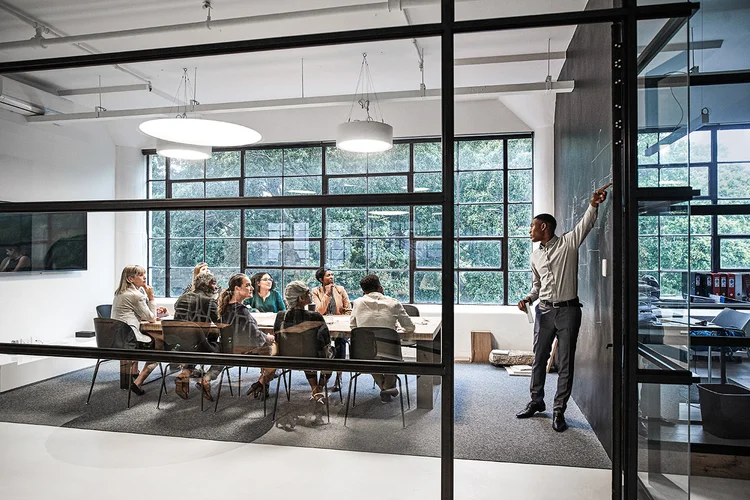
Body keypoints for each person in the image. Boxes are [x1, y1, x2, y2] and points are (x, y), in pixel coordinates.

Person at [516, 183, 611, 432]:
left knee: (566, 363)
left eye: (532, 226)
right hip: (544, 311)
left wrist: (594, 204)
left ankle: (559, 411)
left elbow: (585, 224)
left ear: (544, 227)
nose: (530, 230)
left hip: (568, 312)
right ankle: (536, 402)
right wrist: (528, 299)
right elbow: (537, 286)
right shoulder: (535, 256)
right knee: (538, 359)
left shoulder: (568, 243)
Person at [350, 274, 415, 403]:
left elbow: (353, 326)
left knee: (371, 357)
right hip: (391, 353)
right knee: (390, 358)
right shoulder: (393, 303)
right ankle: (387, 387)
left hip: (366, 353)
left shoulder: (357, 303)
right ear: (380, 288)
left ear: (363, 291)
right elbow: (410, 327)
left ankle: (384, 388)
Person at [217, 273, 277, 399]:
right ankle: (261, 382)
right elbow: (255, 335)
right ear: (237, 288)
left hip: (231, 350)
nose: (252, 288)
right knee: (277, 349)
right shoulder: (241, 310)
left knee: (266, 349)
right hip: (245, 351)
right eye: (248, 285)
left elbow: (250, 332)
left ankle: (263, 382)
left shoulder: (225, 308)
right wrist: (268, 337)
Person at [111, 265, 168, 396]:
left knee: (155, 339)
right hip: (130, 338)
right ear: (130, 279)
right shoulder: (137, 295)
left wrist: (150, 310)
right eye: (141, 275)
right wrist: (151, 297)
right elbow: (152, 318)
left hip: (117, 337)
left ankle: (135, 378)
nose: (145, 277)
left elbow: (135, 313)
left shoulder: (120, 293)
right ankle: (138, 381)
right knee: (160, 344)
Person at [274, 281, 333, 404]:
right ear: (301, 298)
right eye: (308, 293)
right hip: (311, 359)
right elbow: (326, 340)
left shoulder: (280, 316)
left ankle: (315, 390)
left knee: (305, 350)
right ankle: (319, 388)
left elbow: (277, 339)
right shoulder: (315, 316)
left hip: (286, 359)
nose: (311, 294)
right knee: (332, 353)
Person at [172, 271, 220, 400]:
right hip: (198, 345)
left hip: (178, 345)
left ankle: (185, 373)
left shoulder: (182, 298)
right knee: (224, 351)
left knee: (198, 343)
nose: (216, 287)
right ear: (209, 284)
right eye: (215, 284)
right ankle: (206, 379)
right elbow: (221, 324)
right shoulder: (209, 301)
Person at [311, 267, 351, 392]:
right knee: (320, 344)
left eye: (332, 274)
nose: (332, 277)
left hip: (339, 323)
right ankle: (323, 374)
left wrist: (344, 318)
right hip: (322, 324)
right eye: (328, 275)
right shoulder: (315, 291)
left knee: (341, 341)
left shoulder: (340, 290)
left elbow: (348, 308)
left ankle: (339, 376)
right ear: (321, 279)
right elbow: (319, 310)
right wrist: (327, 294)